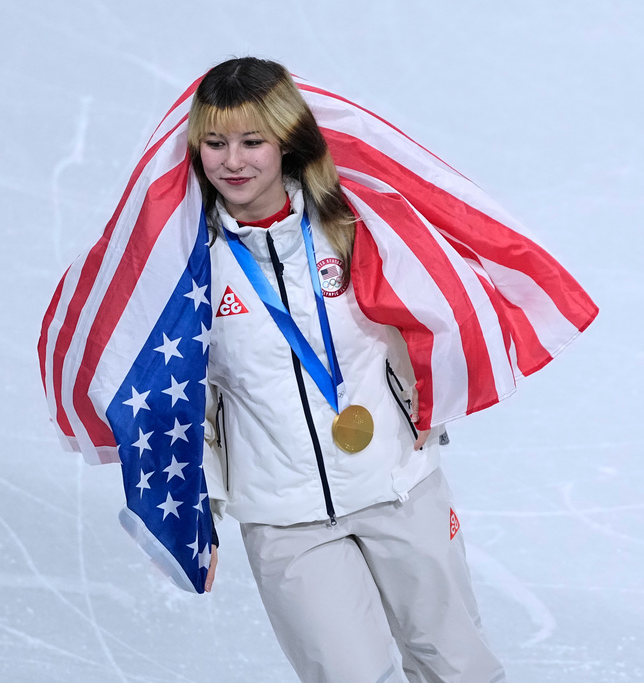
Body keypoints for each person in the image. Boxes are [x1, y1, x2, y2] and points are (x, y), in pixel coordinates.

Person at [187, 57, 507, 683]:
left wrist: (432, 400)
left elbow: (432, 311)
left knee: (458, 668)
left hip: (398, 486)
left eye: (254, 142)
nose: (234, 161)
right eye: (216, 143)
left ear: (286, 141)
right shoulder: (187, 264)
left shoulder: (356, 227)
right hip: (285, 517)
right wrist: (193, 513)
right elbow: (184, 402)